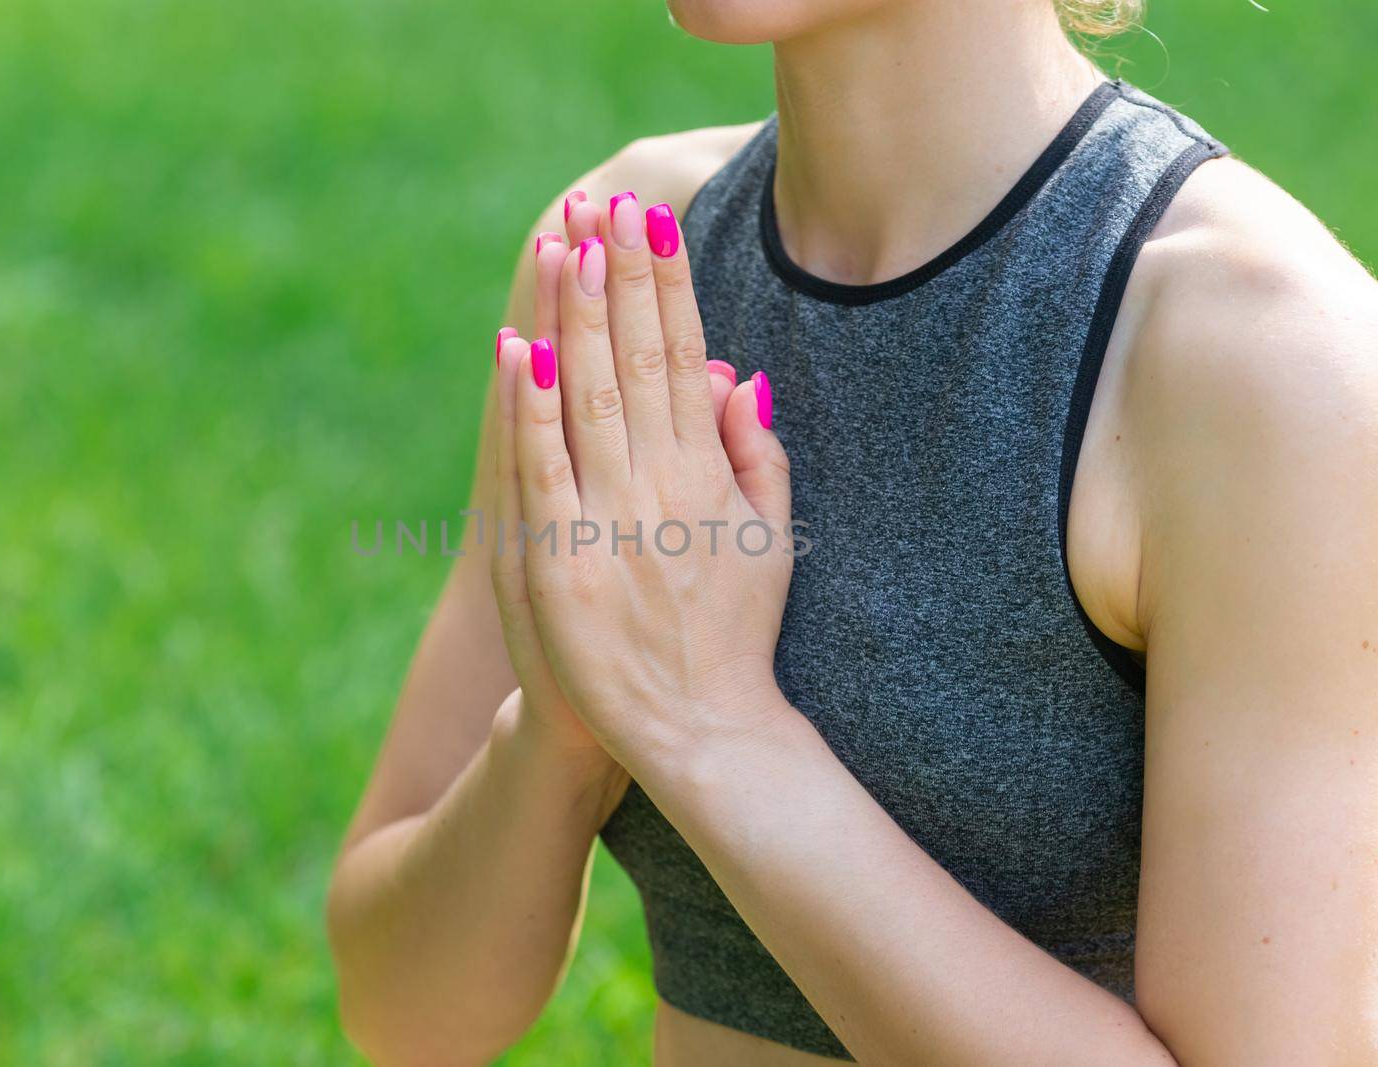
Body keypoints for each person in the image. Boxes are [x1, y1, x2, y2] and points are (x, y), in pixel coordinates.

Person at [328, 1, 1378, 1062]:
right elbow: (401, 1011)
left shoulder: (1261, 357)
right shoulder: (630, 254)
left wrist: (713, 731)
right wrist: (558, 726)